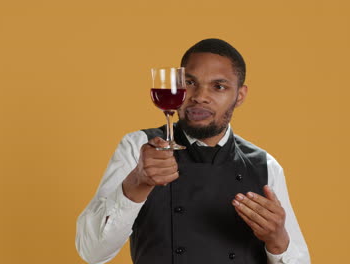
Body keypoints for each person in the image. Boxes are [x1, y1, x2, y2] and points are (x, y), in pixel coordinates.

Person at [76, 38, 310, 264]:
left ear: (239, 96)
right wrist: (137, 182)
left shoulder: (264, 165)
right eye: (190, 83)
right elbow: (92, 252)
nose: (199, 97)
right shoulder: (138, 147)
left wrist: (278, 241)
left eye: (218, 86)